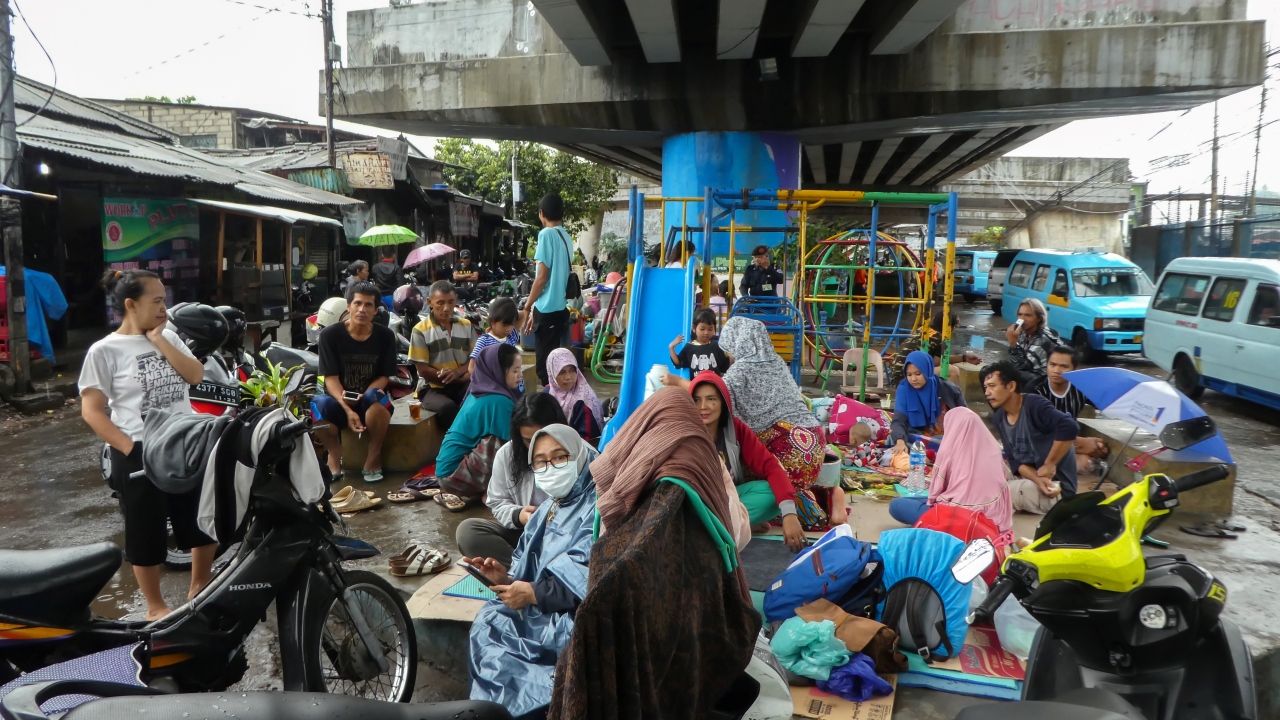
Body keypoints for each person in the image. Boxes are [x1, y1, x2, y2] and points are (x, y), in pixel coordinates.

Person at [548, 388, 759, 718]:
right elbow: (735, 535)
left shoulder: (631, 487)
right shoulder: (704, 467)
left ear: (643, 432)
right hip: (705, 649)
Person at [79, 269, 215, 621]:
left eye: (164, 300)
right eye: (156, 301)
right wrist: (129, 448)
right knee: (145, 530)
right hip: (138, 449)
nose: (164, 308)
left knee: (200, 517)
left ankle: (200, 586)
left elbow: (195, 375)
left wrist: (159, 340)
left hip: (184, 441)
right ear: (131, 305)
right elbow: (92, 411)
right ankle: (156, 607)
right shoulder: (104, 351)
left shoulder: (169, 336)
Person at [466, 424, 597, 718]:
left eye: (560, 457)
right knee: (490, 620)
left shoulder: (596, 508)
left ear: (578, 455)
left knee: (523, 660)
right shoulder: (549, 507)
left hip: (571, 615)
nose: (551, 468)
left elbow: (586, 579)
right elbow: (528, 565)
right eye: (541, 461)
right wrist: (505, 578)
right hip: (538, 607)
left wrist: (531, 593)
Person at [711, 316, 847, 529]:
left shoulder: (739, 370)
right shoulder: (777, 363)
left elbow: (717, 399)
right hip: (813, 439)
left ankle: (820, 505)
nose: (729, 356)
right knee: (781, 484)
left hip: (787, 445)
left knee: (737, 470)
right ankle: (826, 495)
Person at [456, 394, 592, 566]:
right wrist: (519, 516)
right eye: (529, 440)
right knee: (468, 532)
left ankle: (538, 574)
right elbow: (497, 501)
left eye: (544, 437)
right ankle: (520, 571)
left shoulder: (584, 456)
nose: (537, 447)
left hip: (571, 539)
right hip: (527, 535)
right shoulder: (507, 455)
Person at [689, 371, 807, 551]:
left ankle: (727, 527)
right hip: (696, 504)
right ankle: (735, 527)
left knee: (772, 493)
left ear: (723, 402)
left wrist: (789, 515)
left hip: (727, 501)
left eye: (711, 399)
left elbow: (770, 466)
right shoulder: (685, 431)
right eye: (696, 400)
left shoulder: (736, 430)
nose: (703, 406)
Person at [312, 281, 398, 483]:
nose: (362, 309)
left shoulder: (385, 336)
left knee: (377, 398)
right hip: (339, 401)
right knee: (317, 404)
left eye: (368, 305)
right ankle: (334, 453)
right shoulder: (330, 335)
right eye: (357, 303)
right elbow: (330, 378)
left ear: (375, 310)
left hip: (368, 401)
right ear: (348, 306)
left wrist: (363, 396)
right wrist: (347, 408)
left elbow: (383, 376)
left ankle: (373, 455)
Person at [887, 406, 1013, 532]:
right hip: (993, 518)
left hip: (959, 517)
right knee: (914, 500)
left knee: (897, 505)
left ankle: (938, 524)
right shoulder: (994, 449)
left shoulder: (950, 451)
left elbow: (936, 492)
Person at [433, 343, 525, 511]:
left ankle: (488, 489)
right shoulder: (499, 401)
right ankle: (494, 491)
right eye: (515, 370)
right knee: (507, 444)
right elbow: (515, 445)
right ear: (499, 371)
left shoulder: (479, 390)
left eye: (520, 369)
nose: (520, 375)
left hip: (445, 471)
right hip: (453, 475)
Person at [981, 360, 1079, 513]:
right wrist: (1038, 479)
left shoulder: (1034, 405)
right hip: (1032, 478)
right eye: (986, 387)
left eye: (992, 386)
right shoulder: (999, 417)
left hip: (1056, 489)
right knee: (980, 470)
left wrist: (1049, 464)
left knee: (993, 495)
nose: (987, 392)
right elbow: (1014, 461)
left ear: (1011, 386)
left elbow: (1069, 427)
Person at [521, 192, 575, 386]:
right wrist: (535, 310)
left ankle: (552, 401)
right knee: (556, 366)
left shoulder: (546, 234)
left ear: (542, 213)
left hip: (548, 312)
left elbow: (542, 278)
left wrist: (527, 306)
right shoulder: (566, 236)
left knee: (545, 371)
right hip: (559, 309)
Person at [1030, 345, 1109, 474]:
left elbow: (1104, 402)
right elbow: (1032, 433)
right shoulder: (1035, 391)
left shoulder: (1081, 388)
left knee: (1090, 461)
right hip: (1039, 445)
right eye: (1052, 365)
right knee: (1080, 463)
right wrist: (1081, 443)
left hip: (1068, 442)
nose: (1056, 370)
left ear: (1075, 370)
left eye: (1064, 366)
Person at [409, 280, 477, 431]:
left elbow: (474, 359)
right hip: (432, 387)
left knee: (483, 397)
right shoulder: (420, 330)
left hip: (461, 383)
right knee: (447, 407)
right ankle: (457, 440)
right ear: (430, 302)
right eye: (440, 303)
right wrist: (452, 377)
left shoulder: (466, 325)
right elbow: (423, 370)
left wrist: (457, 373)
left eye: (451, 302)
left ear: (456, 299)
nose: (446, 308)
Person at [889, 350, 967, 455]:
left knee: (962, 446)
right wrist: (900, 442)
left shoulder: (949, 389)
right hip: (920, 436)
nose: (913, 379)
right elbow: (899, 419)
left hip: (950, 436)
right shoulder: (904, 389)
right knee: (896, 438)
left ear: (928, 371)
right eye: (909, 375)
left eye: (918, 374)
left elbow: (966, 417)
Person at [545, 347, 604, 442]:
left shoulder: (583, 401)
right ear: (552, 372)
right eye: (561, 372)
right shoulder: (547, 394)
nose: (568, 377)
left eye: (572, 370)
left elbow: (588, 440)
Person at [468, 297, 523, 391]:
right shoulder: (484, 341)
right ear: (491, 321)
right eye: (504, 325)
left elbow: (523, 314)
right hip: (495, 389)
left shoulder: (511, 337)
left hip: (515, 387)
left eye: (512, 324)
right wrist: (487, 384)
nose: (508, 329)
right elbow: (471, 367)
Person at [1006, 298, 1061, 381]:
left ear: (1039, 318)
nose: (1022, 319)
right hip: (1031, 374)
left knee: (1011, 376)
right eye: (1020, 314)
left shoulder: (1044, 338)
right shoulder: (1023, 332)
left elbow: (1022, 367)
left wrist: (1013, 342)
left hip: (1046, 378)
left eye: (1028, 315)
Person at [669, 307, 732, 376]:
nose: (706, 332)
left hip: (713, 382)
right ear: (694, 328)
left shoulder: (716, 347)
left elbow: (724, 366)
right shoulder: (689, 347)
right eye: (702, 329)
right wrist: (671, 347)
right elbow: (678, 363)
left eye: (710, 329)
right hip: (697, 382)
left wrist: (732, 352)